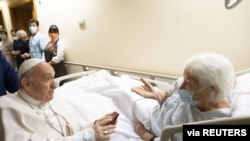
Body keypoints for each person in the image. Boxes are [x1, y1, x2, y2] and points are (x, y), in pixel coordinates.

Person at [0, 58, 117, 141]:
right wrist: (89, 136)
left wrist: (97, 124)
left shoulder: (55, 98)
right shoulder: (7, 107)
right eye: (47, 79)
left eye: (53, 77)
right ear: (27, 84)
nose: (55, 85)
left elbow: (79, 125)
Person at [131, 53, 235, 141]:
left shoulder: (217, 124)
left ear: (211, 90)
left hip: (157, 133)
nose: (181, 87)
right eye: (183, 79)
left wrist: (146, 136)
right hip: (155, 109)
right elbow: (169, 94)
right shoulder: (190, 80)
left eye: (188, 83)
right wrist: (158, 95)